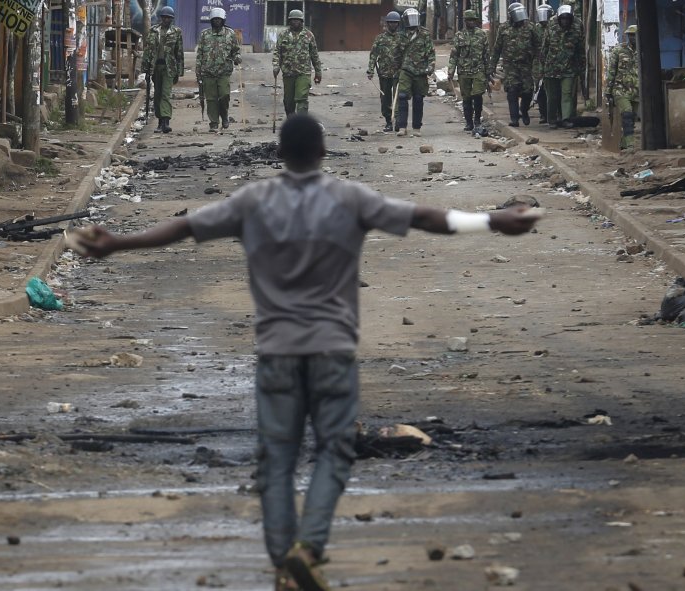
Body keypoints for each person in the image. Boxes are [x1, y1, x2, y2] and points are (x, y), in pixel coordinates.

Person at [73, 114, 540, 591]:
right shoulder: (348, 198)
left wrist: (118, 243)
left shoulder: (253, 201)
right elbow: (424, 217)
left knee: (275, 459)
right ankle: (308, 548)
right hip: (332, 350)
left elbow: (185, 228)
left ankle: (284, 562)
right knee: (335, 450)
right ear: (322, 152)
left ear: (280, 153)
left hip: (276, 351)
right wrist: (493, 221)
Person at [491, 2, 540, 127]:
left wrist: (539, 64)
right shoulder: (503, 28)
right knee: (512, 91)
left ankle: (523, 111)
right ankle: (514, 119)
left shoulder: (530, 27)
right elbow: (497, 48)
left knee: (528, 91)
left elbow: (538, 46)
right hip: (510, 66)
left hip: (526, 65)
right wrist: (492, 66)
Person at [196, 7, 241, 132]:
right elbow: (200, 54)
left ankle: (224, 116)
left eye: (219, 20)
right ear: (211, 20)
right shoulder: (205, 34)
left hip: (224, 72)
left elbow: (235, 51)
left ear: (223, 20)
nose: (217, 22)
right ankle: (214, 122)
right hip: (207, 72)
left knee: (224, 96)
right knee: (211, 99)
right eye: (214, 19)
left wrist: (237, 58)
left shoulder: (230, 34)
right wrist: (198, 70)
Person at [540, 3, 584, 129]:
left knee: (567, 93)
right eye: (562, 19)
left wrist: (581, 67)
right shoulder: (551, 24)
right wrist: (541, 68)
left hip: (569, 67)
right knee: (553, 96)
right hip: (551, 67)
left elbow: (580, 48)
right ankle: (552, 120)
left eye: (567, 19)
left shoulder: (577, 25)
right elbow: (545, 47)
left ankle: (566, 118)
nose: (565, 21)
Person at [142, 5, 185, 133]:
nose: (166, 20)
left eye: (169, 18)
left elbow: (179, 53)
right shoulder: (153, 31)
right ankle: (160, 121)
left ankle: (166, 121)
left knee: (166, 94)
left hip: (169, 67)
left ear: (172, 19)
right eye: (164, 17)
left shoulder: (176, 32)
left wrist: (179, 71)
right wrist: (145, 69)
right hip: (156, 67)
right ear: (161, 18)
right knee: (158, 95)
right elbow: (148, 50)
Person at [272, 10, 322, 117]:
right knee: (289, 102)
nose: (295, 22)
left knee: (302, 98)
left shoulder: (308, 35)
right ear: (289, 21)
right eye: (293, 20)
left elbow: (314, 55)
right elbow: (277, 52)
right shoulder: (283, 35)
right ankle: (291, 121)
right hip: (288, 73)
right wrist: (276, 66)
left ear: (302, 21)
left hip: (303, 73)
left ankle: (301, 122)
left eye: (298, 20)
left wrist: (318, 72)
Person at [448, 10, 490, 133]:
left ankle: (477, 119)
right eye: (469, 20)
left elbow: (486, 54)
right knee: (466, 98)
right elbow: (454, 55)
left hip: (479, 70)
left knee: (477, 95)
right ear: (465, 21)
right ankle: (469, 122)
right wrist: (451, 71)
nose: (471, 22)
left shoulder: (482, 35)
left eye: (473, 20)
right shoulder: (459, 35)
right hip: (464, 71)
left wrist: (488, 71)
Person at [396, 8, 435, 137]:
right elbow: (396, 54)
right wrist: (395, 69)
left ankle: (416, 127)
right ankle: (402, 126)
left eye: (414, 18)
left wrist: (431, 66)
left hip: (420, 71)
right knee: (402, 97)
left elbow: (430, 53)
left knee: (418, 99)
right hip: (406, 70)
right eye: (410, 19)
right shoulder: (400, 35)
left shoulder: (424, 34)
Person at [367, 11, 405, 132]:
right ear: (387, 24)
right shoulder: (380, 39)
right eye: (391, 23)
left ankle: (398, 121)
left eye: (395, 23)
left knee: (398, 98)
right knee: (385, 99)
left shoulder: (402, 38)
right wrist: (370, 70)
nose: (393, 25)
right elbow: (373, 55)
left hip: (398, 73)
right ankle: (388, 121)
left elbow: (407, 55)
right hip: (384, 74)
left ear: (398, 24)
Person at [606, 25, 639, 149]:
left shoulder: (643, 50)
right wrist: (608, 91)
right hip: (621, 89)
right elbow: (611, 71)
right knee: (627, 112)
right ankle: (630, 143)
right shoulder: (619, 50)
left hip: (636, 90)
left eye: (634, 35)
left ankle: (624, 144)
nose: (632, 38)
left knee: (632, 118)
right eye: (630, 35)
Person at [533, 2, 554, 124]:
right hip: (538, 64)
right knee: (539, 89)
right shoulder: (535, 29)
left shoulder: (554, 28)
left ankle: (553, 114)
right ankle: (543, 114)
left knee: (552, 90)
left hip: (551, 63)